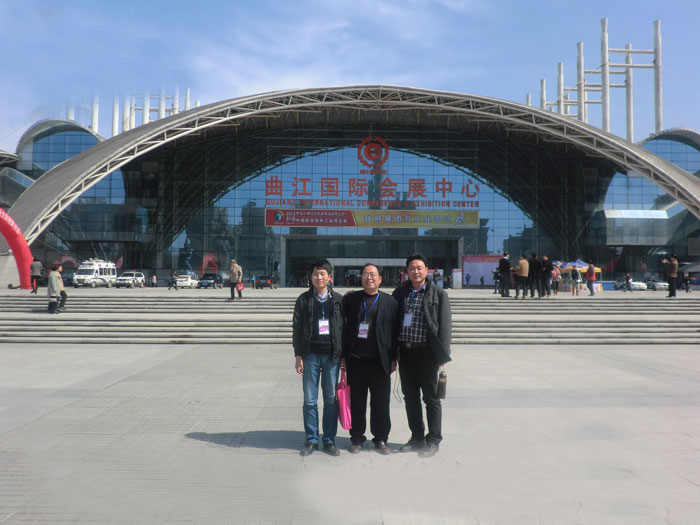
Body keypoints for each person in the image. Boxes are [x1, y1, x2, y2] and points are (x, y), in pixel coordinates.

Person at [393, 254, 452, 458]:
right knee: (410, 398)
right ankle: (417, 437)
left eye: (419, 268)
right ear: (406, 272)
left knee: (431, 398)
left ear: (427, 270)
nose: (416, 271)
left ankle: (433, 439)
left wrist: (443, 353)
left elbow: (445, 326)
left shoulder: (438, 294)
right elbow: (393, 324)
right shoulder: (400, 293)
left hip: (428, 354)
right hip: (405, 353)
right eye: (412, 268)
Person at [342, 263, 398, 455]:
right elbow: (343, 329)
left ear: (380, 279)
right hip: (356, 360)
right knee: (357, 402)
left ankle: (381, 438)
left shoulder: (390, 302)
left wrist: (394, 358)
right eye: (365, 274)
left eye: (373, 274)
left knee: (381, 403)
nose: (369, 277)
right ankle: (357, 438)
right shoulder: (351, 300)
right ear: (361, 278)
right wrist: (343, 356)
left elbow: (395, 333)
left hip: (380, 362)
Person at [293, 259, 344, 457]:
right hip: (310, 355)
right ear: (311, 277)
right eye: (315, 273)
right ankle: (312, 439)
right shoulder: (304, 300)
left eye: (322, 273)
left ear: (329, 277)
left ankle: (329, 439)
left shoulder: (338, 300)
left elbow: (344, 329)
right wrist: (298, 355)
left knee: (331, 399)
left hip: (331, 357)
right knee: (310, 400)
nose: (319, 277)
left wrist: (343, 356)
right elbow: (297, 328)